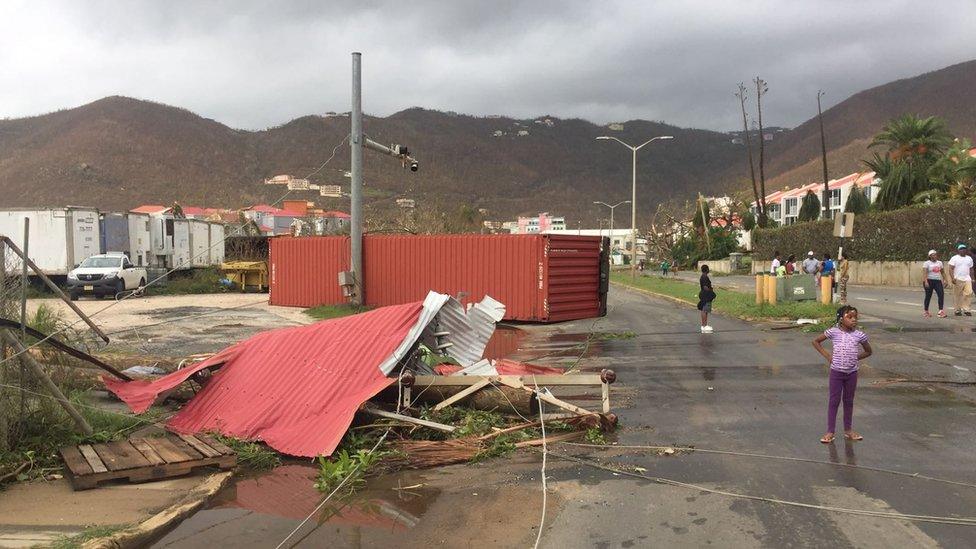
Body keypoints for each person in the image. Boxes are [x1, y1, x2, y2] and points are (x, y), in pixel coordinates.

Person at [812, 305, 872, 444]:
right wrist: (828, 356)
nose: (853, 320)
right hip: (836, 372)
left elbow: (869, 351)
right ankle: (830, 432)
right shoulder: (833, 332)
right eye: (849, 317)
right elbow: (816, 341)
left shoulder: (859, 335)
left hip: (851, 373)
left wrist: (854, 357)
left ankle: (848, 430)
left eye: (855, 317)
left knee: (849, 401)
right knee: (834, 401)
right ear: (840, 319)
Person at [947, 244, 974, 316]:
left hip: (967, 278)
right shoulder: (954, 258)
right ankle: (957, 310)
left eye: (964, 248)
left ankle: (966, 309)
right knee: (957, 295)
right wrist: (952, 278)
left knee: (969, 293)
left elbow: (971, 269)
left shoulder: (969, 258)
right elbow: (950, 268)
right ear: (958, 250)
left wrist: (972, 278)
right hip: (957, 278)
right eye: (961, 249)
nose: (963, 250)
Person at [922, 249, 947, 318]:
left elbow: (943, 272)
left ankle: (940, 311)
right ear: (930, 256)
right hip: (929, 281)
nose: (935, 256)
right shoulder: (927, 263)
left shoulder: (939, 263)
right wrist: (926, 281)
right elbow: (924, 273)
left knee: (941, 294)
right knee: (928, 296)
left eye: (935, 254)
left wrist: (945, 280)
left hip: (937, 281)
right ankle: (926, 311)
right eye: (933, 255)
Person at [698, 265, 716, 333]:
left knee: (704, 310)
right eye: (708, 269)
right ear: (707, 269)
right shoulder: (705, 277)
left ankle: (704, 325)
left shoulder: (703, 276)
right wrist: (711, 293)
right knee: (705, 310)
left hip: (704, 294)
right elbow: (705, 287)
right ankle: (704, 326)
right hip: (706, 295)